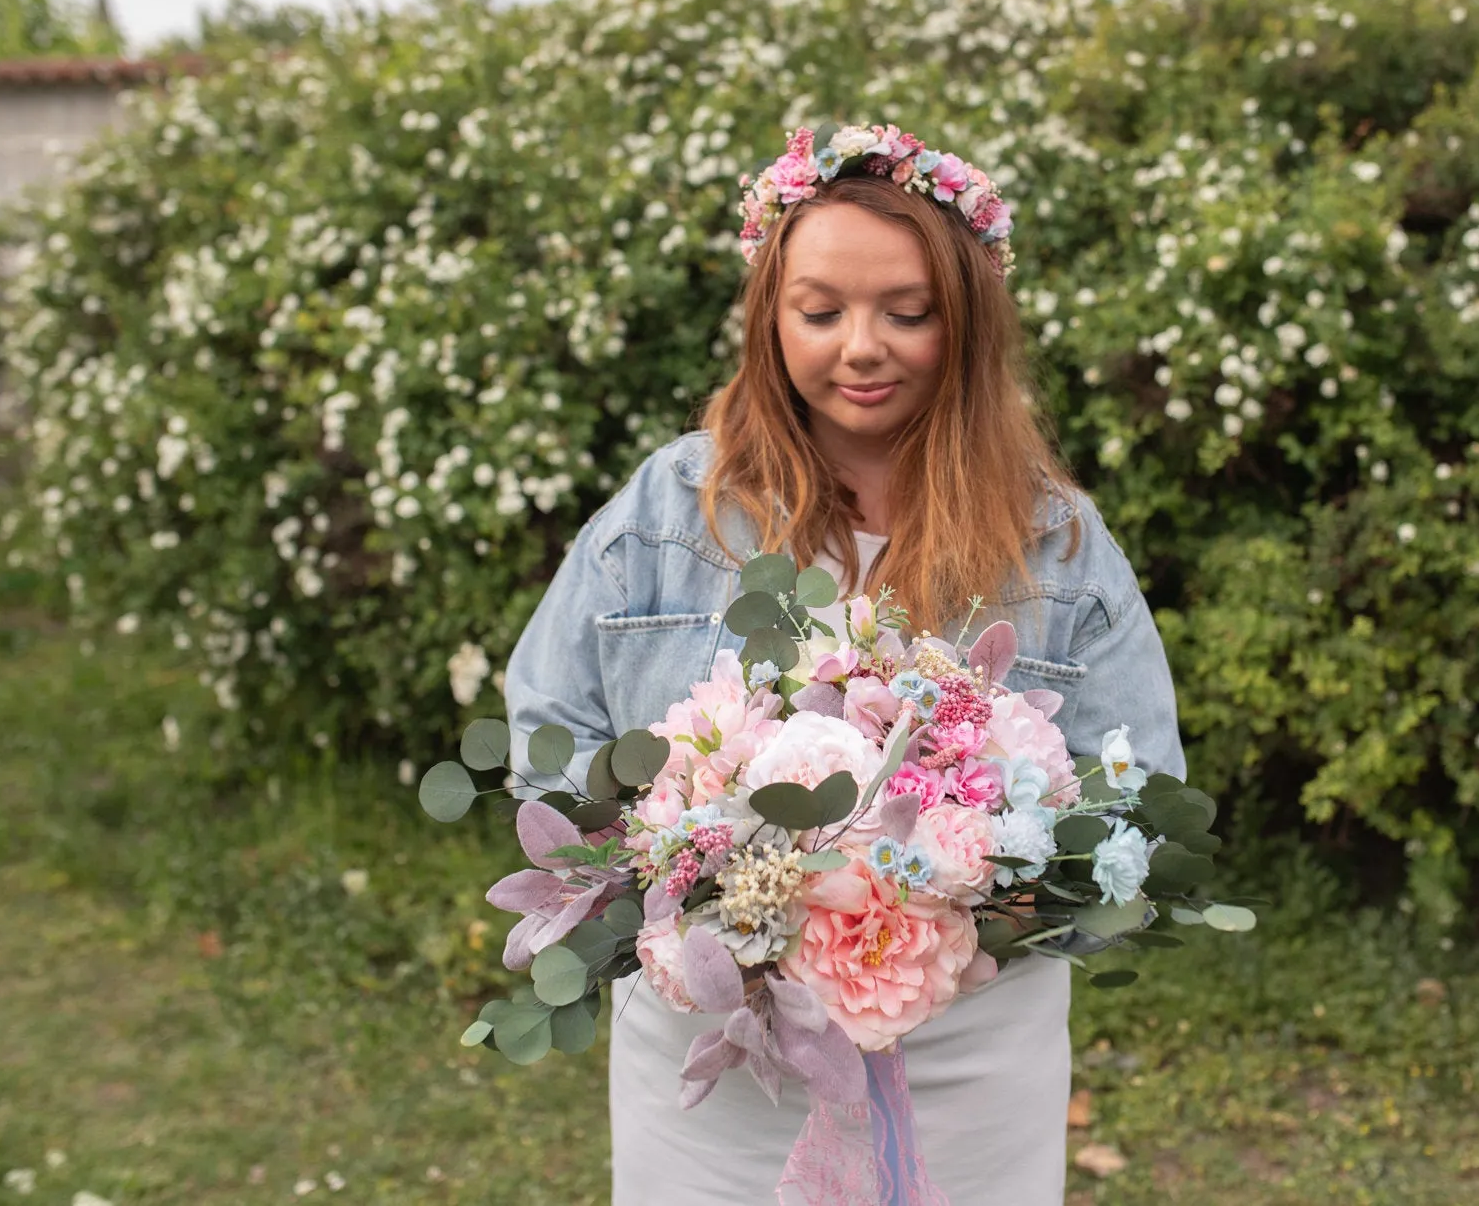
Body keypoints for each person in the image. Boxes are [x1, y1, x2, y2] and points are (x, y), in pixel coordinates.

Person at [502, 124, 1180, 1205]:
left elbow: (1139, 791)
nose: (860, 345)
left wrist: (966, 901)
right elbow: (552, 728)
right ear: (770, 317)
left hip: (965, 1064)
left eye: (905, 312)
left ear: (964, 323)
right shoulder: (669, 514)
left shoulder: (1052, 542)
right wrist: (681, 879)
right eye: (819, 311)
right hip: (718, 1071)